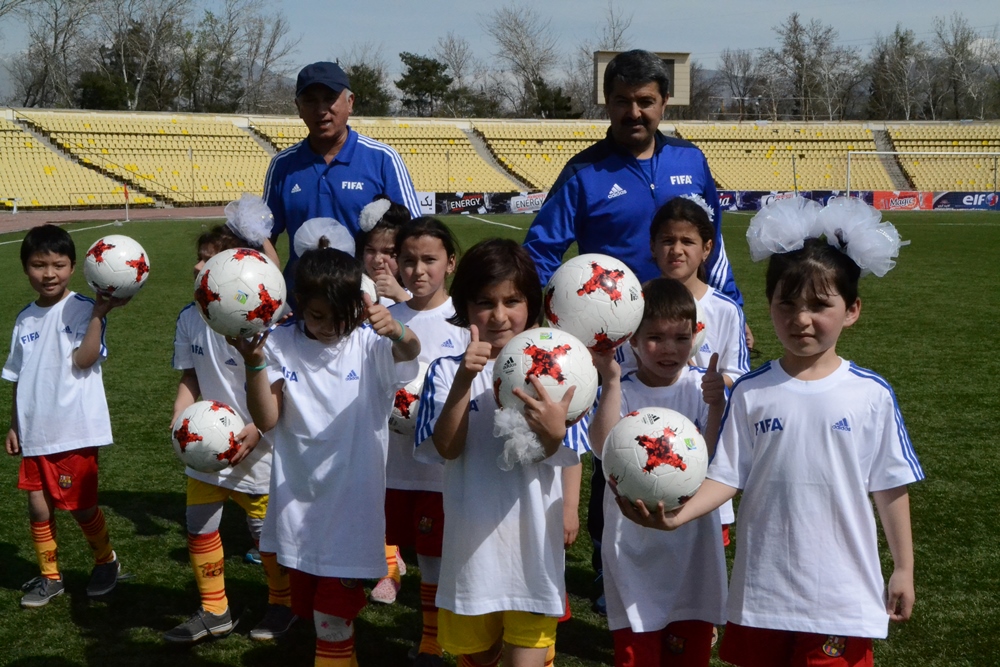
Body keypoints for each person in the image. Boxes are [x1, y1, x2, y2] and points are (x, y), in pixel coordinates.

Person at [623, 197, 921, 667]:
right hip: (763, 592)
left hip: (841, 593)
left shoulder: (871, 394)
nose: (801, 319)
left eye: (819, 305)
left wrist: (903, 567)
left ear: (852, 310)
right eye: (787, 304)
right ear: (769, 307)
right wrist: (678, 516)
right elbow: (726, 476)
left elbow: (890, 485)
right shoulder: (751, 391)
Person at [233, 241, 420, 667]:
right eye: (318, 316)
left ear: (357, 305)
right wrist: (255, 363)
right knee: (318, 614)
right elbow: (267, 418)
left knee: (331, 618)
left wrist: (398, 330)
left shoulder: (369, 344)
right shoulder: (280, 342)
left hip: (353, 510)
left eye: (340, 316)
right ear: (300, 303)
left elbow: (411, 352)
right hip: (298, 506)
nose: (330, 327)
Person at [414, 239, 586, 667]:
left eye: (512, 301)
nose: (499, 315)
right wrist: (463, 380)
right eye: (485, 302)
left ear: (531, 304)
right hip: (471, 556)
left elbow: (564, 453)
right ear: (464, 306)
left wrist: (554, 436)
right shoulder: (445, 371)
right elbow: (448, 448)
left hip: (534, 554)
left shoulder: (558, 373)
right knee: (478, 657)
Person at [523, 49, 743, 308]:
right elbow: (539, 254)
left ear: (664, 102)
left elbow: (713, 245)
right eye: (622, 101)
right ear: (607, 102)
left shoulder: (691, 159)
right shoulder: (582, 173)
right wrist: (530, 316)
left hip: (688, 319)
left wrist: (732, 306)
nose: (634, 113)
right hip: (614, 322)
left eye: (645, 101)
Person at [163, 223, 294, 643]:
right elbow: (190, 375)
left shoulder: (269, 322)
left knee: (264, 535)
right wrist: (180, 414)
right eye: (198, 257)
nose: (197, 266)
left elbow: (284, 386)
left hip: (260, 445)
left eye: (208, 259)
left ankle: (283, 604)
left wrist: (257, 429)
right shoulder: (190, 316)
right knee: (198, 523)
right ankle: (214, 609)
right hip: (207, 441)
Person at [588, 278, 728, 667]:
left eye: (680, 338)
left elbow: (714, 459)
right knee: (638, 652)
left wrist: (716, 407)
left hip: (691, 540)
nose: (669, 349)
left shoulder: (701, 387)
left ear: (695, 337)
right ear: (632, 339)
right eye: (655, 338)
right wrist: (610, 380)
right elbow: (602, 448)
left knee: (688, 650)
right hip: (631, 541)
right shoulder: (622, 387)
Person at [3, 224, 126, 608]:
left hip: (73, 429)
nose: (49, 274)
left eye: (58, 265)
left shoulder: (83, 309)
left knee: (81, 506)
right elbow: (17, 376)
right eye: (39, 265)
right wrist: (14, 424)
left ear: (74, 267)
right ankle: (50, 576)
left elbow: (84, 359)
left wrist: (99, 315)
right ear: (26, 268)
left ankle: (106, 560)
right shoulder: (24, 319)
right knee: (38, 505)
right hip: (34, 430)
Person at [383, 217, 469, 664]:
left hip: (441, 470)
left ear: (450, 263)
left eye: (429, 260)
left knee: (435, 558)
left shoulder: (464, 322)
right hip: (393, 465)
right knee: (388, 547)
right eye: (409, 260)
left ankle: (431, 642)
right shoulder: (387, 319)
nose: (418, 270)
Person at [263, 61, 422, 290]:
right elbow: (264, 236)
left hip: (366, 302)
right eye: (310, 100)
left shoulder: (383, 159)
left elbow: (415, 234)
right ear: (298, 107)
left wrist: (403, 294)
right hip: (302, 303)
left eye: (330, 98)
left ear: (350, 103)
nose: (321, 110)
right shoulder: (282, 165)